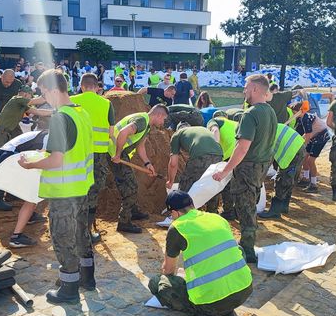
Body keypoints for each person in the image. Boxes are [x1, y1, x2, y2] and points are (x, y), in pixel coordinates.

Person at [17, 70, 95, 304]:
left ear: (52, 89)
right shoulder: (81, 113)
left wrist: (30, 165)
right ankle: (87, 278)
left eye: (42, 92)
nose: (43, 97)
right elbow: (73, 150)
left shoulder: (61, 118)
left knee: (63, 238)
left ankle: (69, 288)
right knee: (81, 234)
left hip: (63, 192)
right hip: (82, 187)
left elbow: (56, 161)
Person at [148, 190, 253, 316]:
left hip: (213, 301)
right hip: (244, 289)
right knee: (238, 251)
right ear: (192, 205)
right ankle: (228, 313)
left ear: (176, 213)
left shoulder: (177, 227)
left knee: (159, 283)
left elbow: (168, 270)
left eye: (171, 214)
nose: (171, 218)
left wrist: (178, 276)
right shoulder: (217, 218)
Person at [213, 75, 277, 263]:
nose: (244, 91)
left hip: (248, 168)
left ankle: (247, 249)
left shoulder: (251, 114)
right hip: (262, 166)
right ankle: (247, 243)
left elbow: (242, 148)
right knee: (251, 203)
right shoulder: (270, 111)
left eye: (246, 87)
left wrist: (225, 171)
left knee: (245, 207)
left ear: (256, 90)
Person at [109, 104, 169, 233]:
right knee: (130, 187)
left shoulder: (146, 126)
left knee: (132, 184)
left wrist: (148, 164)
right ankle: (124, 222)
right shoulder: (142, 121)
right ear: (158, 115)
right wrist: (118, 154)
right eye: (163, 119)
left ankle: (132, 211)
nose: (163, 122)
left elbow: (140, 147)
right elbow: (123, 132)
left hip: (120, 154)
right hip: (114, 153)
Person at [71, 73, 116, 243]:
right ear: (97, 87)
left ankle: (72, 230)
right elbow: (111, 133)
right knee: (92, 192)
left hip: (76, 153)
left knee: (75, 190)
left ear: (82, 86)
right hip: (97, 155)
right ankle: (86, 233)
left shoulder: (72, 100)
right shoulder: (106, 103)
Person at [0, 130, 49, 248]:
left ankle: (29, 216)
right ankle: (16, 237)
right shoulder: (48, 137)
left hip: (7, 155)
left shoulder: (46, 133)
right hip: (10, 156)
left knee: (30, 193)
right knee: (32, 195)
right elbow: (44, 157)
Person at [166, 124, 223, 212]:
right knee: (211, 182)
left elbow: (173, 163)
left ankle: (181, 211)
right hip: (219, 154)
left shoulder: (177, 134)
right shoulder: (201, 129)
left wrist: (171, 181)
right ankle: (212, 212)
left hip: (200, 155)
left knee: (186, 183)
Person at [258, 123, 305, 219]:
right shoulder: (272, 125)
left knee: (282, 180)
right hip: (299, 146)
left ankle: (275, 211)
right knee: (290, 178)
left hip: (292, 152)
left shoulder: (266, 135)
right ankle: (284, 206)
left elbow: (269, 158)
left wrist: (261, 176)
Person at [207, 111, 238, 220]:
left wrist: (216, 149)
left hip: (227, 154)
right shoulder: (233, 123)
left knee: (218, 180)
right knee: (232, 183)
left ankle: (212, 211)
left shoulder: (214, 121)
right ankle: (231, 211)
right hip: (239, 153)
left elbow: (215, 130)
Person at [297, 108, 331, 193]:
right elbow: (306, 134)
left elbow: (308, 136)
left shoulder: (306, 118)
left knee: (310, 161)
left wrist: (302, 147)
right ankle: (306, 178)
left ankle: (313, 184)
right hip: (315, 136)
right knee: (304, 157)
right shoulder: (303, 118)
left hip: (321, 138)